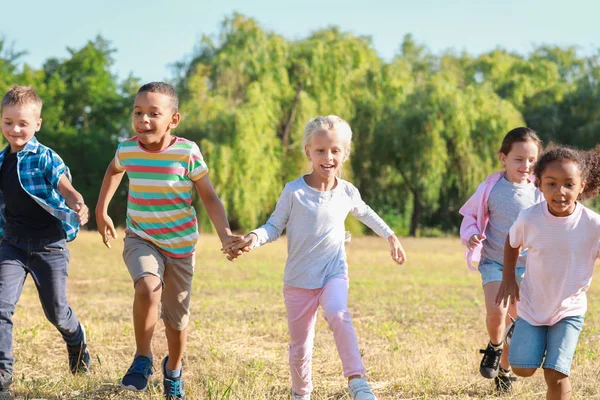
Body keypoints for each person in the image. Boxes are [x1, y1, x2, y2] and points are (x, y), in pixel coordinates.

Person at [223, 115, 406, 400]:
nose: (328, 156)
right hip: (298, 281)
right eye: (320, 150)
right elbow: (273, 227)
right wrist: (253, 238)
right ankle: (301, 393)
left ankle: (358, 382)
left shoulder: (347, 191)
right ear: (308, 151)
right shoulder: (294, 191)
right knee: (300, 347)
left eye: (335, 150)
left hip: (333, 273)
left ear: (345, 153)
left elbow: (365, 212)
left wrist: (391, 236)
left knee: (338, 313)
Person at [95, 82, 239, 400]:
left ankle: (173, 370)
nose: (143, 119)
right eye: (138, 112)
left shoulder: (186, 152)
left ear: (173, 120)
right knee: (147, 286)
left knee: (176, 320)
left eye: (153, 114)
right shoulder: (127, 149)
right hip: (141, 237)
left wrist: (226, 235)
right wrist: (101, 208)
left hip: (181, 247)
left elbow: (210, 197)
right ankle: (142, 358)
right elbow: (114, 170)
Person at [0, 85, 91, 395]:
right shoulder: (1, 161)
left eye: (23, 123)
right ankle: (3, 375)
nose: (15, 129)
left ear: (37, 124)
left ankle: (76, 340)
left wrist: (77, 201)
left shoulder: (43, 156)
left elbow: (63, 184)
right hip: (11, 244)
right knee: (1, 306)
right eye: (8, 122)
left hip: (49, 247)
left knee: (56, 312)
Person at [496, 145, 600, 400]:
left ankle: (555, 357)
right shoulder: (530, 217)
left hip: (569, 309)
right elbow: (512, 240)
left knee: (555, 373)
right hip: (532, 307)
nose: (560, 192)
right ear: (538, 183)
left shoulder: (593, 225)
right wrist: (508, 276)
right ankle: (517, 333)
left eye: (568, 184)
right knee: (522, 368)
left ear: (581, 185)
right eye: (551, 184)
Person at [458, 127, 543, 392]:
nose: (526, 165)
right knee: (497, 314)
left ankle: (504, 371)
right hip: (494, 262)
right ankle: (493, 348)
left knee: (516, 326)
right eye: (519, 159)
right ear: (503, 158)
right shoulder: (490, 188)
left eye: (532, 160)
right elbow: (471, 216)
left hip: (527, 269)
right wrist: (471, 235)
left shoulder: (540, 193)